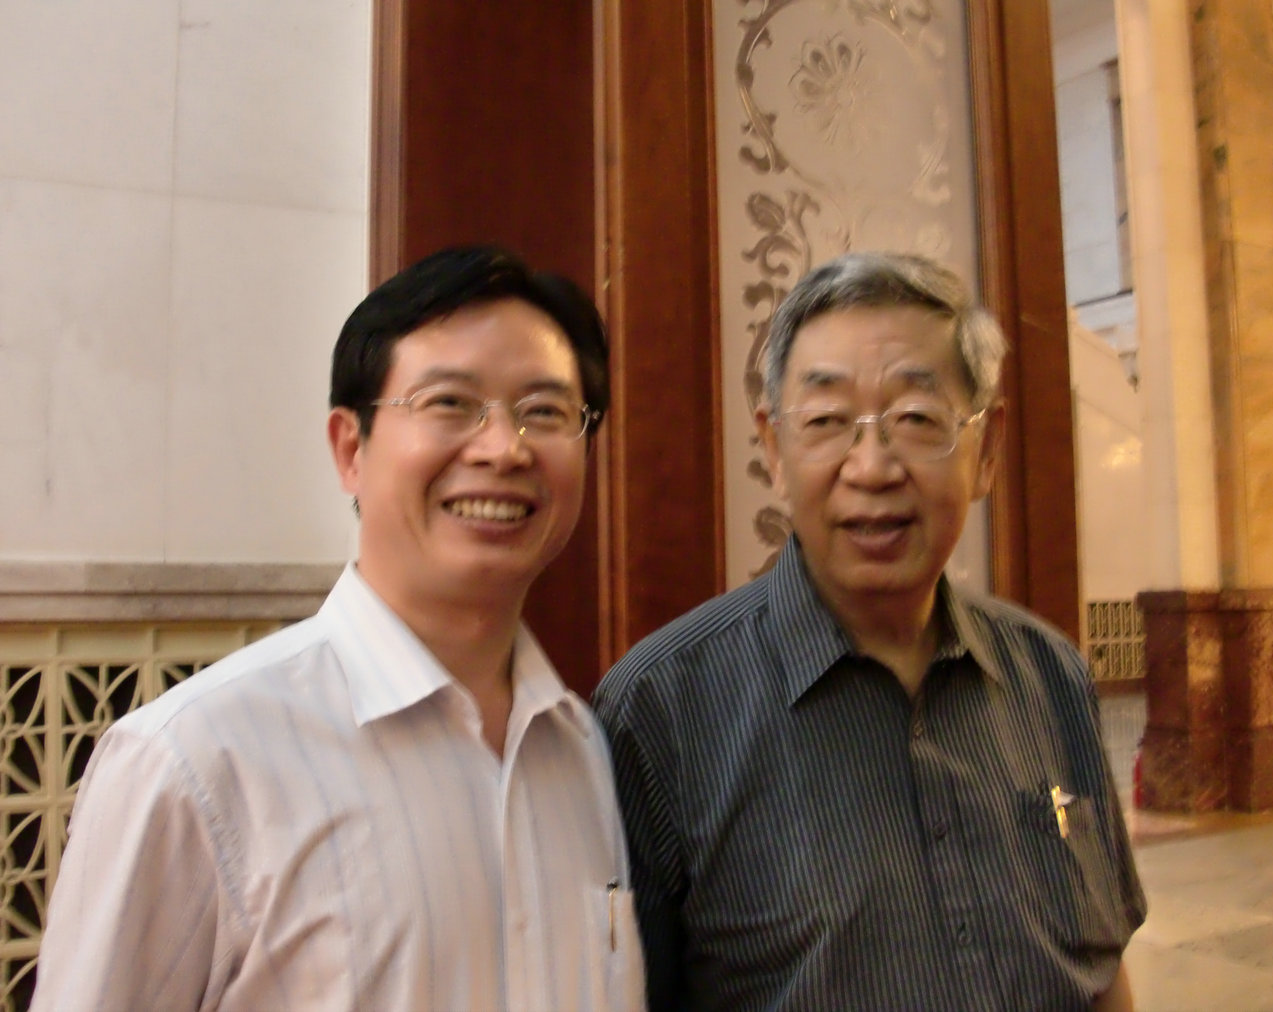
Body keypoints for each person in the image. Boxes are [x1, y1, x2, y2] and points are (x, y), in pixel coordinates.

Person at [33, 244, 645, 1011]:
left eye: (545, 412)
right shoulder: (192, 765)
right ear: (351, 450)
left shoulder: (579, 750)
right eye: (450, 404)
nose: (503, 448)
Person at [594, 251, 1145, 1011]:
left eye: (917, 420)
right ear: (774, 452)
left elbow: (1102, 970)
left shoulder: (1051, 675)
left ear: (986, 450)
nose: (873, 466)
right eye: (825, 423)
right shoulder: (660, 713)